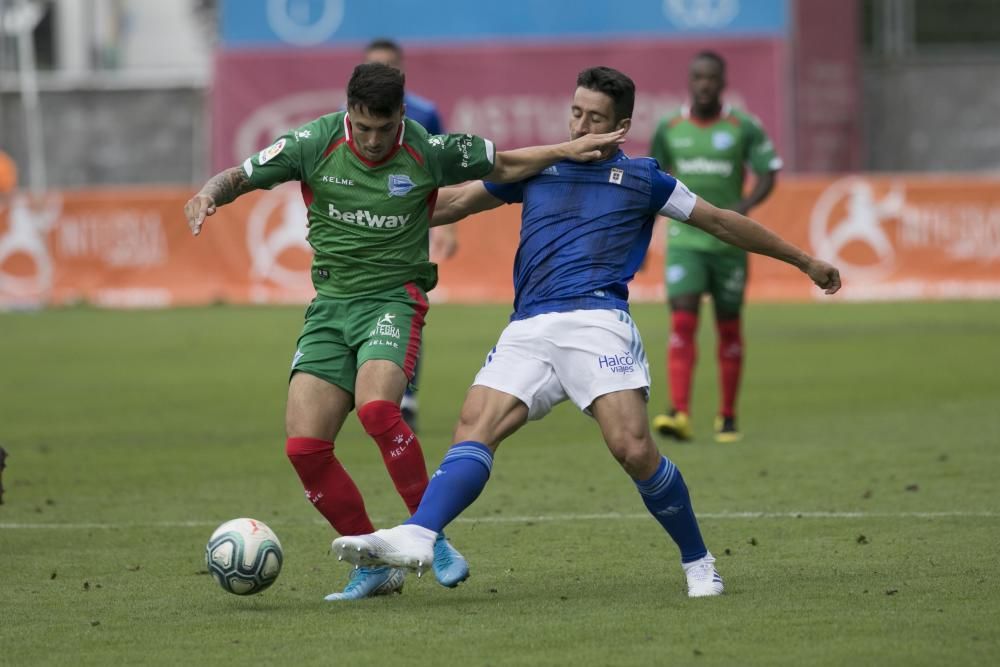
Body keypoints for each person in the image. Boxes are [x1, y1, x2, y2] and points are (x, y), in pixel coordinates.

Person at [330, 66, 840, 598]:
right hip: (528, 324)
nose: (580, 125)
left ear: (621, 125)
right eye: (576, 113)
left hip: (597, 322)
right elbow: (452, 203)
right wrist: (367, 209)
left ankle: (699, 561)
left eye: (594, 117)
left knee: (633, 448)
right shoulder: (537, 167)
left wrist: (804, 260)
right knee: (473, 426)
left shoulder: (645, 179)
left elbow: (721, 221)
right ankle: (418, 534)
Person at [183, 63, 623, 601]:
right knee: (304, 448)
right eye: (362, 127)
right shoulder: (311, 142)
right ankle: (372, 564)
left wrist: (564, 150)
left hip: (396, 299)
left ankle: (428, 534)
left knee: (376, 410)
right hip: (330, 307)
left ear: (401, 116)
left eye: (383, 128)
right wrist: (208, 194)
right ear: (348, 113)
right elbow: (240, 176)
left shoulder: (429, 149)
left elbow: (504, 163)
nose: (371, 141)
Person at [649, 51, 783, 444]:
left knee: (728, 326)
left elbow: (769, 170)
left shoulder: (743, 127)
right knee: (683, 320)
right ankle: (679, 412)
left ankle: (727, 416)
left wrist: (744, 207)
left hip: (729, 245)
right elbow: (651, 182)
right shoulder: (669, 127)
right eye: (698, 77)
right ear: (689, 81)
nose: (704, 84)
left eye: (711, 78)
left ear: (722, 82)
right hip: (685, 241)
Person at [363, 37, 450, 433]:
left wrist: (447, 225)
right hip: (362, 228)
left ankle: (408, 393)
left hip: (409, 224)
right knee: (360, 301)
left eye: (387, 66)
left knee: (406, 301)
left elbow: (443, 173)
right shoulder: (349, 118)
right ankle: (364, 385)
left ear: (401, 70)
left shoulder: (424, 113)